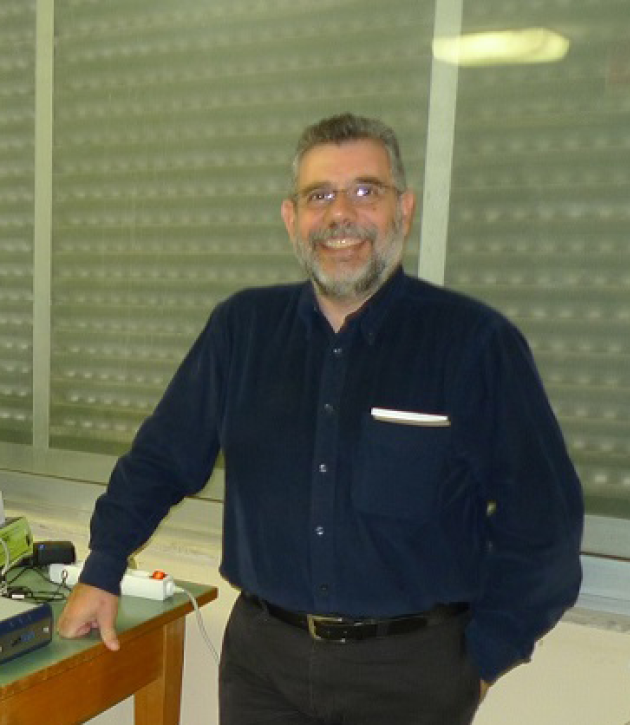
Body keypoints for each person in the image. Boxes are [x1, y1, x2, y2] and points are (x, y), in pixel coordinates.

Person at [58, 112, 584, 724]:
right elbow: (159, 460)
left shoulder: (474, 343)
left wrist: (485, 659)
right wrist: (101, 571)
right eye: (319, 195)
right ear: (292, 219)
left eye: (366, 190)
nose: (340, 215)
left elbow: (544, 521)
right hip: (263, 666)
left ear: (403, 210)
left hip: (410, 679)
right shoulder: (241, 330)